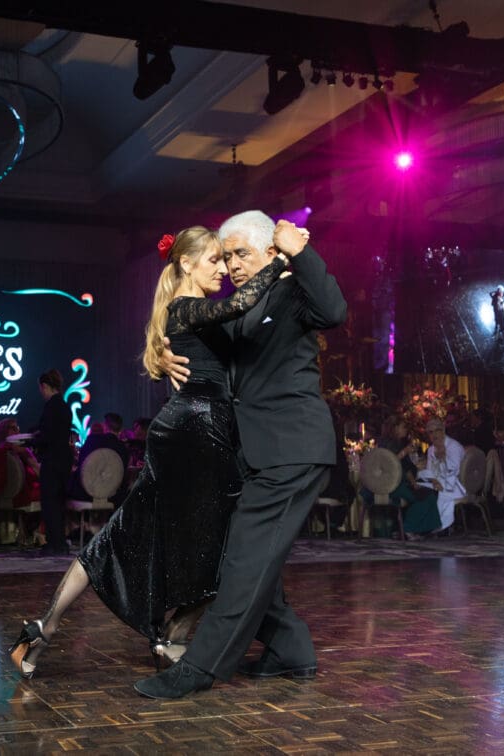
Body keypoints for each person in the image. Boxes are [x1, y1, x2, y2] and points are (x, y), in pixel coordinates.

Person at [7, 226, 288, 678]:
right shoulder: (187, 306)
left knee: (131, 535)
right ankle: (169, 639)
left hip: (189, 431)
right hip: (199, 435)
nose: (222, 269)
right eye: (213, 260)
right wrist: (280, 262)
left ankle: (45, 627)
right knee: (228, 552)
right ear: (187, 265)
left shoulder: (187, 314)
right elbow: (239, 304)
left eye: (223, 260)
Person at [135, 211, 346, 700]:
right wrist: (165, 356)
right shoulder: (240, 307)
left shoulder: (294, 291)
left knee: (244, 562)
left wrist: (301, 251)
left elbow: (334, 311)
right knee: (244, 554)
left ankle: (200, 668)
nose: (230, 265)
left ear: (271, 252)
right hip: (256, 453)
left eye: (240, 253)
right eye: (225, 256)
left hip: (290, 448)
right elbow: (202, 353)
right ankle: (290, 650)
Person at [32, 368, 75, 555]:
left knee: (50, 502)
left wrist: (31, 440)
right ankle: (60, 544)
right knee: (59, 502)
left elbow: (47, 435)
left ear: (45, 386)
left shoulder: (51, 406)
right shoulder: (64, 405)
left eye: (41, 388)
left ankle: (53, 544)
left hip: (53, 459)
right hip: (64, 458)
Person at [424, 418, 465, 532]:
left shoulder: (453, 446)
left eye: (436, 431)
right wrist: (433, 480)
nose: (434, 435)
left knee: (438, 493)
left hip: (456, 482)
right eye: (430, 432)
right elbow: (429, 470)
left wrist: (443, 456)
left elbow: (454, 470)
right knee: (419, 490)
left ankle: (440, 525)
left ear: (442, 431)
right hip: (437, 481)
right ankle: (422, 526)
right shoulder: (431, 450)